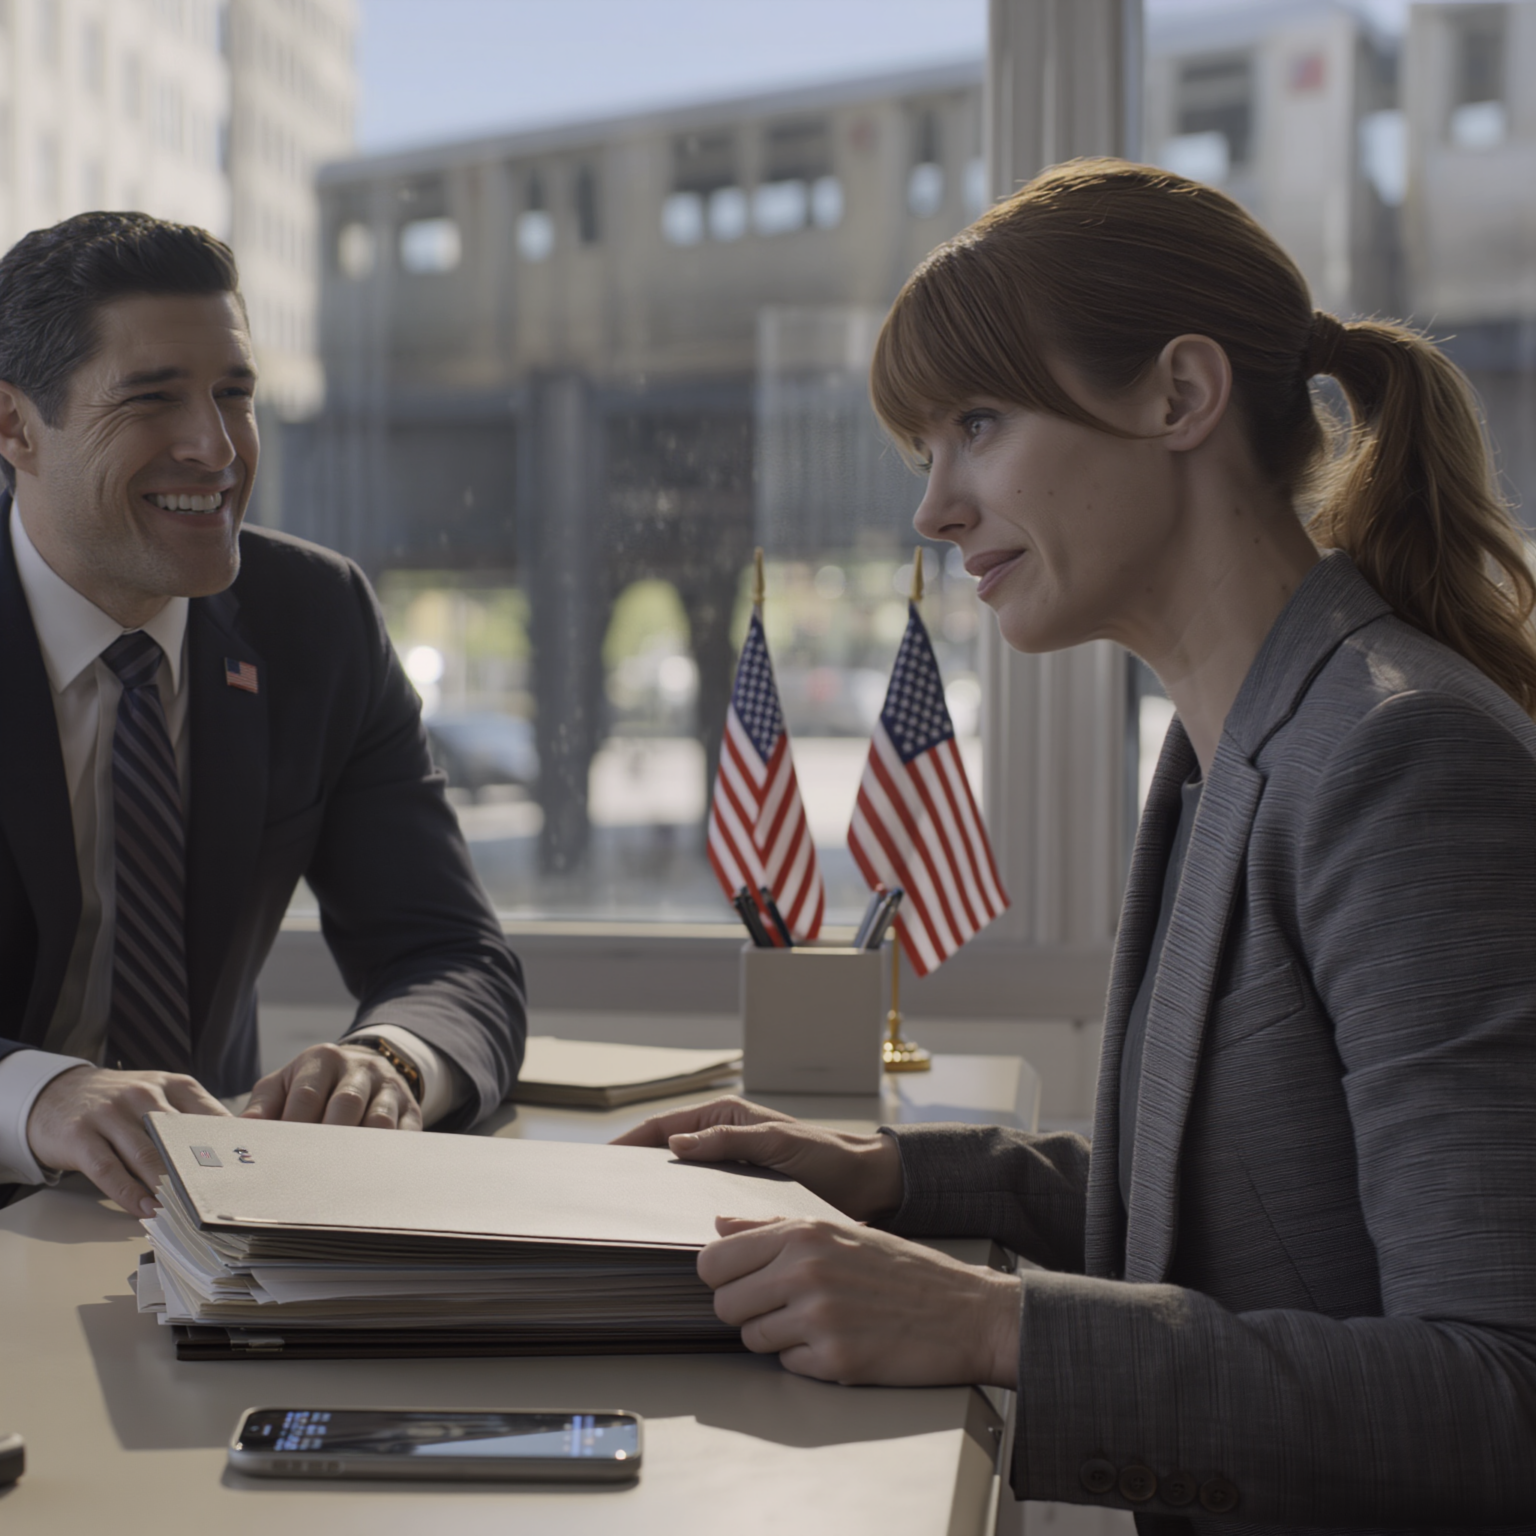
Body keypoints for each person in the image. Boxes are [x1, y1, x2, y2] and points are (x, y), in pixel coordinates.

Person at [617, 159, 1536, 1528]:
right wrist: (888, 1173)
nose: (933, 508)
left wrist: (1000, 1326)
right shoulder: (1231, 739)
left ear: (1178, 395)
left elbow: (1499, 1397)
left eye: (977, 423)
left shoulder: (1401, 760)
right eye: (927, 449)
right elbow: (1258, 1195)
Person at [0, 212, 526, 1218]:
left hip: (195, 1238)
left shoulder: (315, 619)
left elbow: (452, 955)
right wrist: (40, 1095)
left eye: (234, 394)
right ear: (16, 427)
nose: (217, 447)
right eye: (153, 399)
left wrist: (393, 1063)